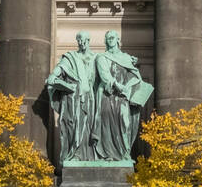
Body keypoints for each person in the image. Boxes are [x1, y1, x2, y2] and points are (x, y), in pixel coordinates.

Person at [94, 30, 150, 162]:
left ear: (118, 40)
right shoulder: (102, 57)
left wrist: (134, 88)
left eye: (112, 38)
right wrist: (117, 85)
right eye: (108, 38)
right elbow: (104, 75)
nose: (110, 40)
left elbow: (135, 76)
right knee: (107, 124)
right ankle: (108, 154)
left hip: (124, 97)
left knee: (125, 122)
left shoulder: (126, 57)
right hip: (108, 96)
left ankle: (124, 153)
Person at [46, 31, 98, 163]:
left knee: (88, 126)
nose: (81, 43)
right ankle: (74, 154)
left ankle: (89, 156)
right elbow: (60, 68)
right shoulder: (70, 57)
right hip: (73, 97)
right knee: (73, 124)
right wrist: (53, 76)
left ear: (88, 40)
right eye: (79, 40)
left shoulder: (96, 58)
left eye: (84, 40)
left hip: (90, 98)